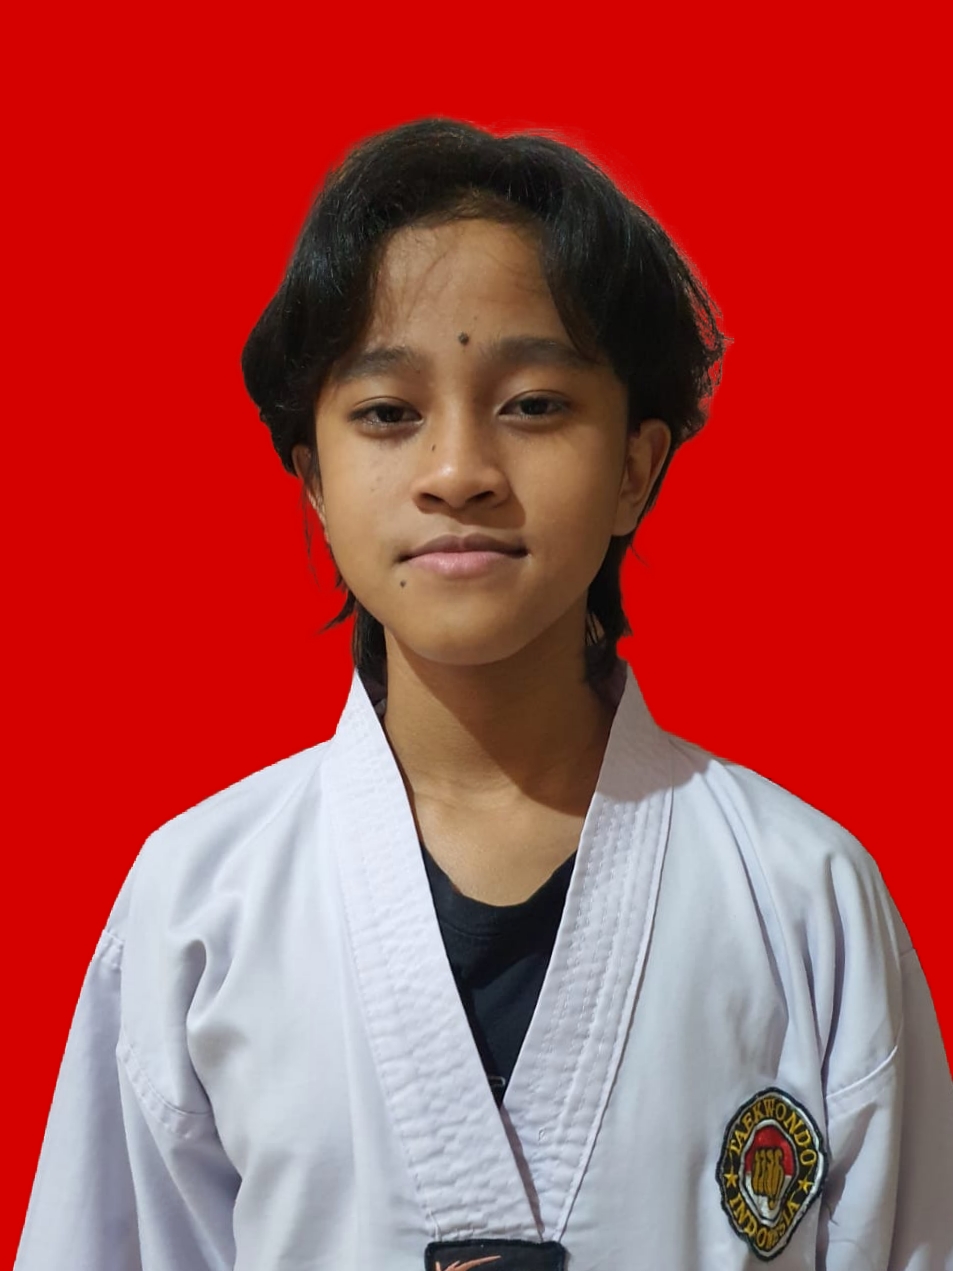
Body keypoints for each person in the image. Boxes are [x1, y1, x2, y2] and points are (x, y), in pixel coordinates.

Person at [15, 117, 953, 1270]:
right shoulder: (199, 906)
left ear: (634, 465)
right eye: (386, 412)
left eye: (533, 404)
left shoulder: (801, 900)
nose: (457, 470)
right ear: (313, 481)